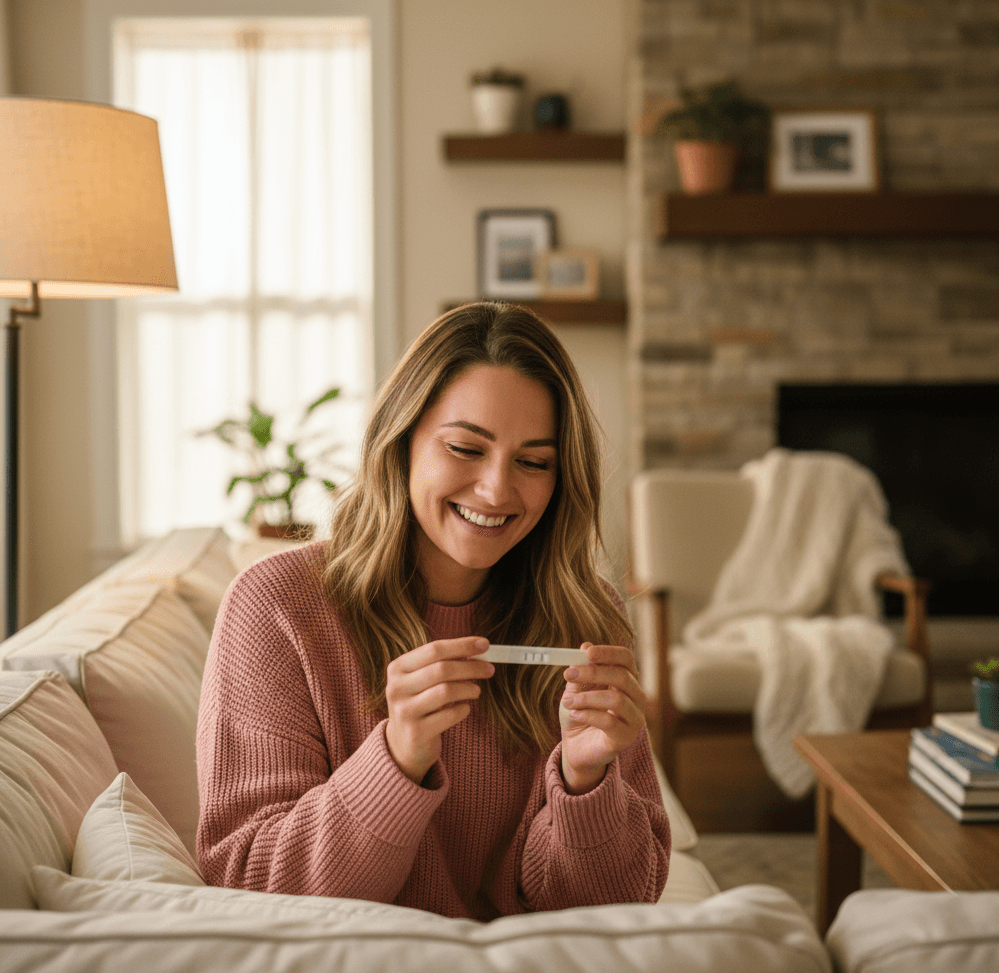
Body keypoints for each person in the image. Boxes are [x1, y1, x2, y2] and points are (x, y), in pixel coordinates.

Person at [196, 301, 670, 921]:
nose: (497, 490)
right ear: (401, 441)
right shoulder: (276, 607)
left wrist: (587, 783)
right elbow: (245, 881)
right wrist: (396, 759)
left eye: (533, 462)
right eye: (465, 448)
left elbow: (624, 906)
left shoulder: (587, 615)